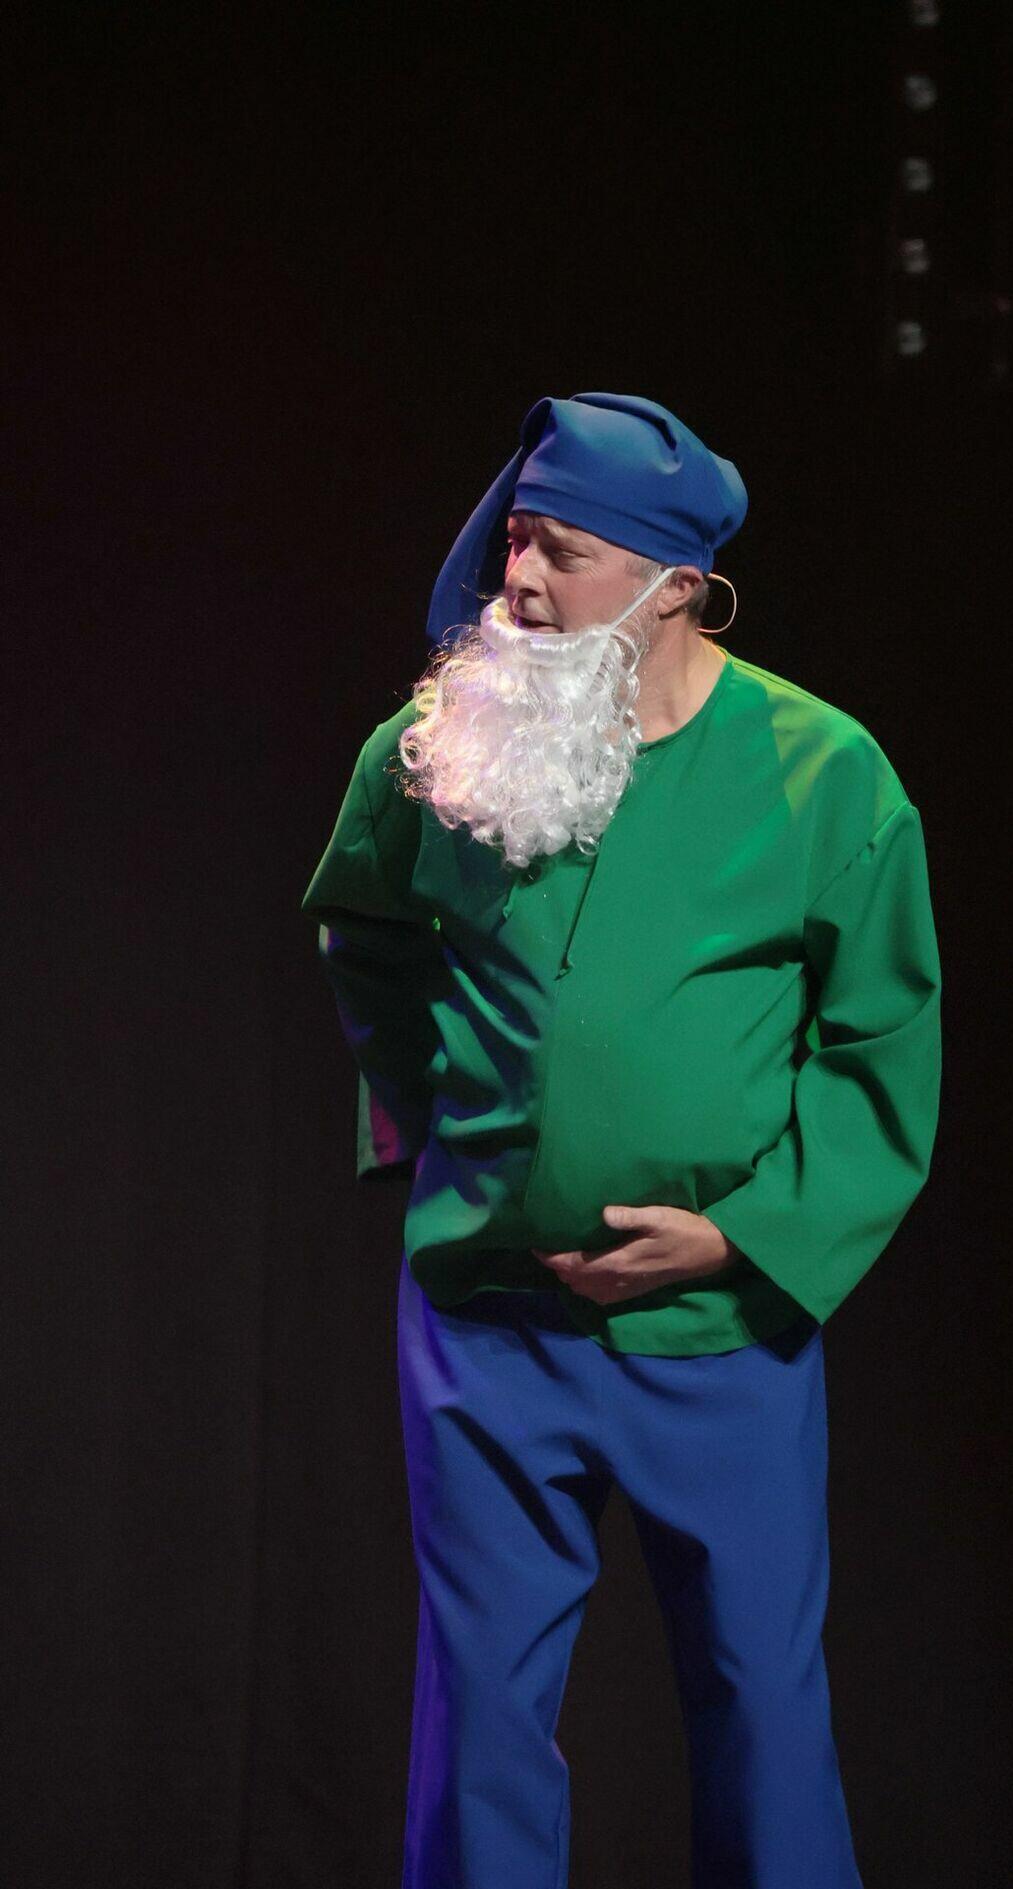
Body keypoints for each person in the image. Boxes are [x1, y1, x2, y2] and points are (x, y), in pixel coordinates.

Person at [301, 391, 943, 1888]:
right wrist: (446, 1128)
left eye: (561, 551)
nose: (517, 578)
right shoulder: (444, 738)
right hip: (490, 1322)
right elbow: (363, 929)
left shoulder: (823, 770)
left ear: (672, 587)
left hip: (718, 1333)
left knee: (762, 1713)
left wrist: (739, 1236)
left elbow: (883, 1039)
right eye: (516, 538)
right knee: (481, 1723)